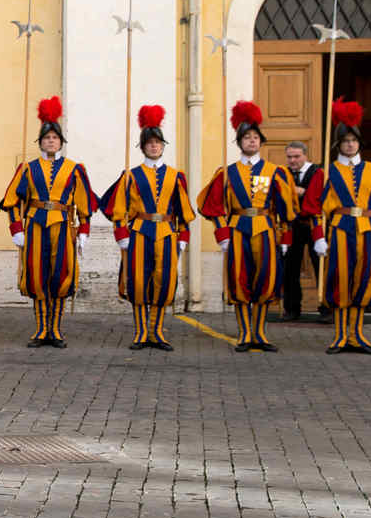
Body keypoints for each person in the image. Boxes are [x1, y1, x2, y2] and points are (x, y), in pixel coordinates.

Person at [197, 100, 297, 351]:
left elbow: (284, 208)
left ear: (261, 142)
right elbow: (213, 206)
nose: (251, 141)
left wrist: (285, 237)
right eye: (247, 137)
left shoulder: (275, 172)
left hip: (265, 229)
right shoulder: (227, 173)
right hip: (237, 230)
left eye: (255, 137)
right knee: (240, 281)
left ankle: (260, 334)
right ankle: (244, 334)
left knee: (264, 281)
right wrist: (222, 233)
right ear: (239, 142)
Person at [0, 96, 96, 348]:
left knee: (60, 276)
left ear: (60, 142)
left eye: (54, 138)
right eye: (46, 138)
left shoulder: (75, 169)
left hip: (63, 226)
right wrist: (16, 229)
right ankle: (41, 330)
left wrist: (84, 230)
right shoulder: (28, 169)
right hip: (35, 226)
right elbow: (12, 201)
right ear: (40, 142)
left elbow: (85, 204)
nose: (50, 141)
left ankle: (56, 330)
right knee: (37, 276)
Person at [99, 105, 196, 350]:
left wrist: (183, 236)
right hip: (140, 232)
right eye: (149, 143)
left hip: (166, 233)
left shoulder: (176, 176)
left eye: (157, 143)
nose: (154, 146)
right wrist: (122, 234)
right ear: (143, 147)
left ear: (163, 145)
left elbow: (182, 210)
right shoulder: (131, 176)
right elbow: (119, 208)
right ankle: (141, 333)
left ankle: (157, 332)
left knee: (164, 281)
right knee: (139, 281)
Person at [309, 99, 371, 354]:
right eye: (346, 140)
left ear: (359, 143)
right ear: (339, 143)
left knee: (364, 280)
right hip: (339, 231)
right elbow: (314, 208)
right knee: (340, 280)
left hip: (367, 232)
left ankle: (357, 335)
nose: (350, 144)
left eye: (354, 140)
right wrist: (318, 237)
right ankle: (339, 335)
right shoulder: (326, 172)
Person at [281, 140, 328, 321]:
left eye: (296, 156)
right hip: (293, 225)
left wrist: (302, 192)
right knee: (290, 268)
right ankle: (292, 308)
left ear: (305, 155)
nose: (292, 160)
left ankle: (326, 307)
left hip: (314, 224)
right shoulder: (284, 174)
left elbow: (321, 197)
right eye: (289, 157)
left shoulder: (318, 172)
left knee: (320, 265)